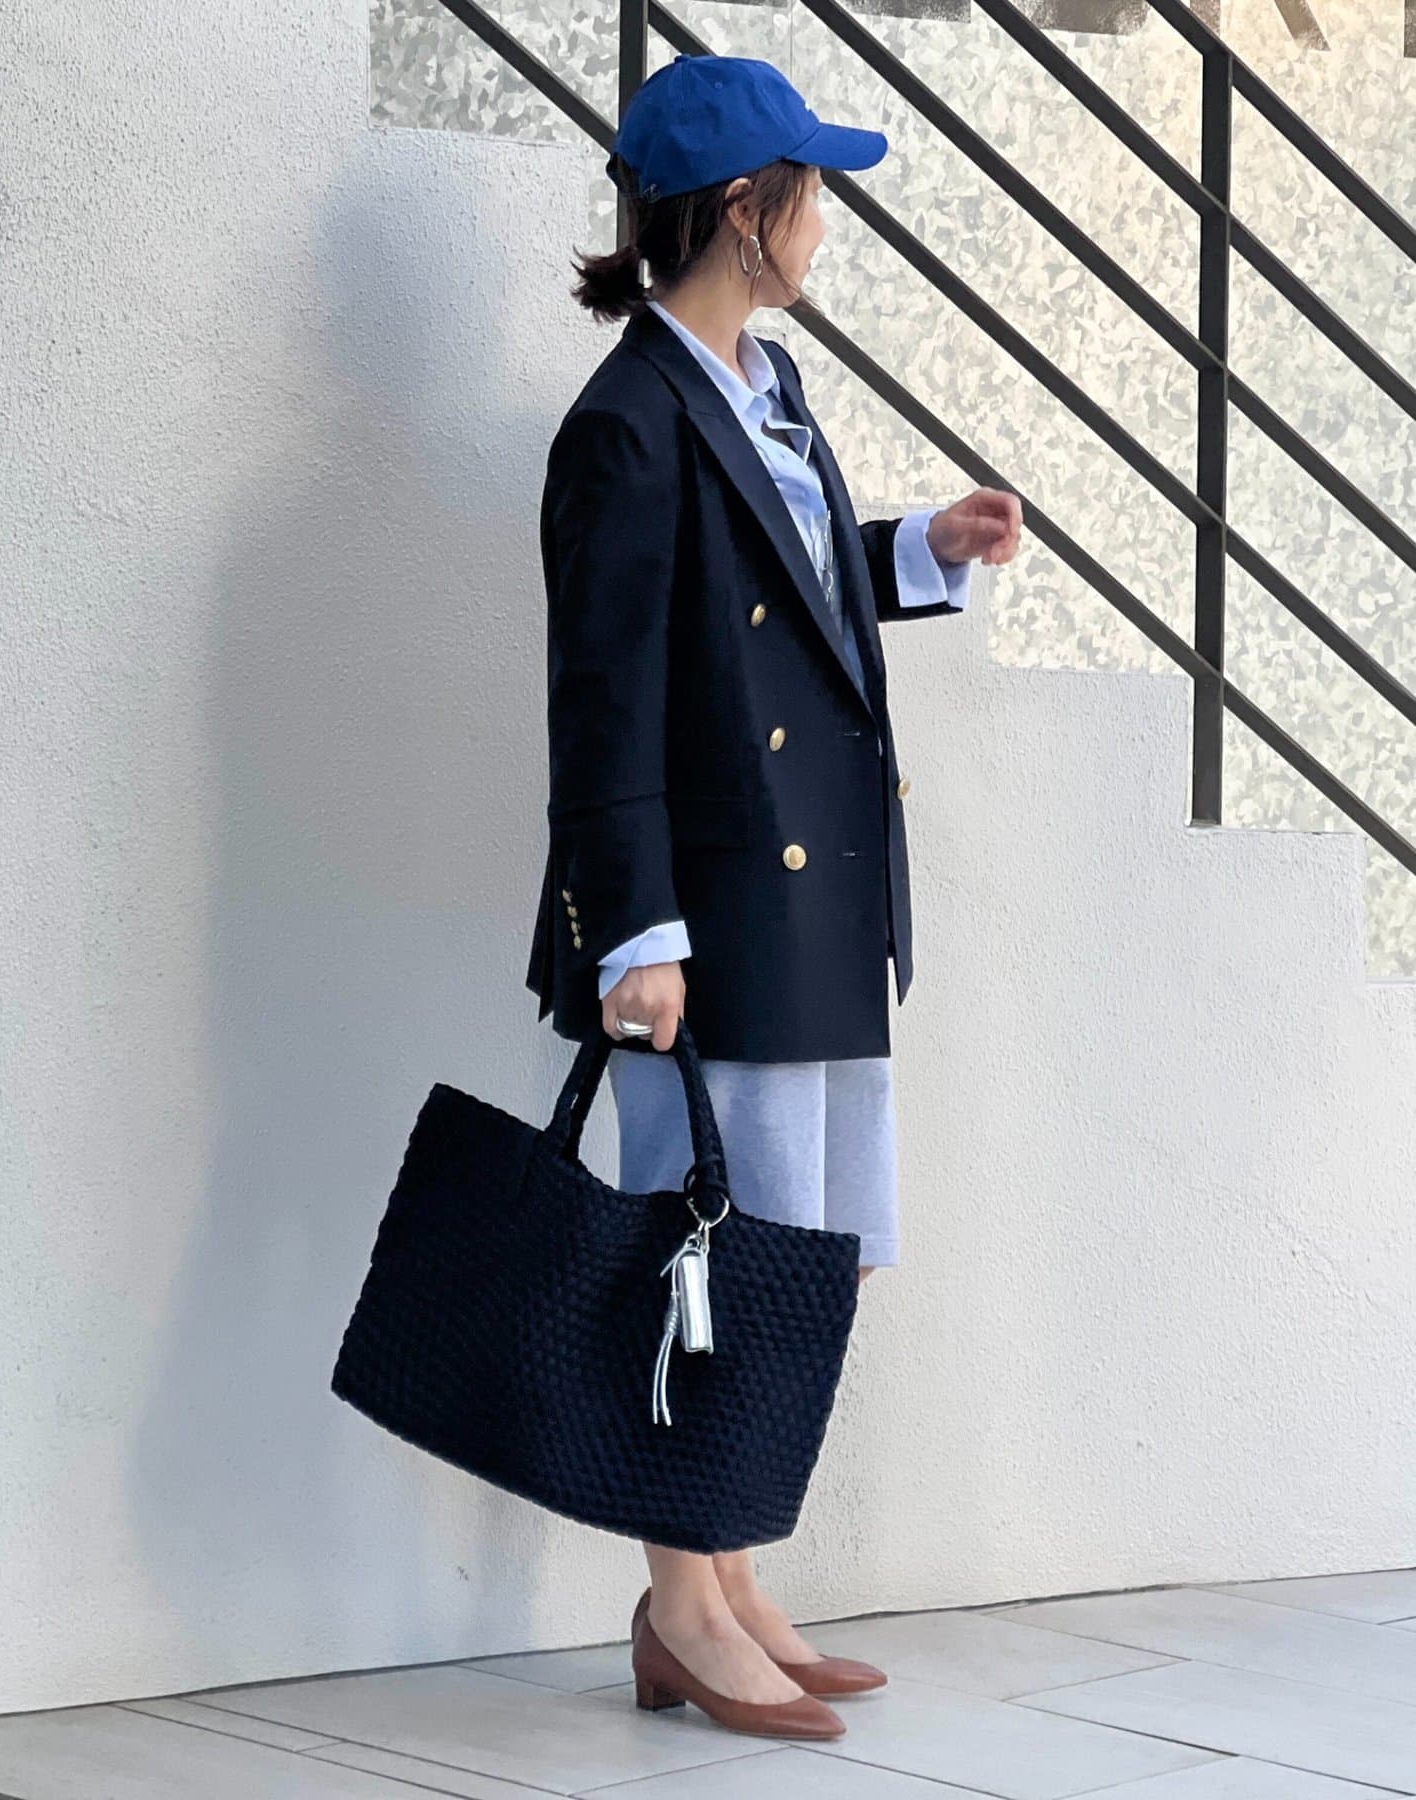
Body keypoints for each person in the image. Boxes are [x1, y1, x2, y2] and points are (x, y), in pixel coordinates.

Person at [524, 52, 1023, 1741]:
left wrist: (917, 551)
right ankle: (680, 1606)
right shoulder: (624, 425)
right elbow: (601, 703)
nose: (824, 225)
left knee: (799, 1264)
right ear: (746, 210)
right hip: (708, 927)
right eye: (812, 196)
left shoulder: (766, 383)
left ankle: (730, 1580)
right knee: (703, 1268)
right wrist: (635, 934)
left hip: (813, 912)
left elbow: (790, 596)